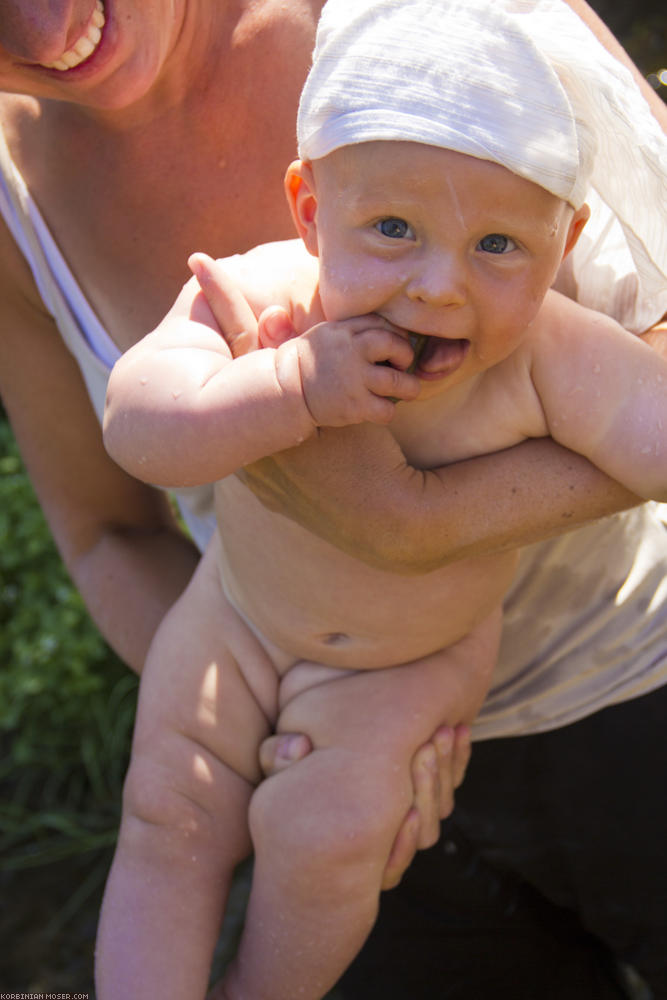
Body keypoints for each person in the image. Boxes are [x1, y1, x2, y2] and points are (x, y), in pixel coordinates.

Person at [0, 0, 662, 995]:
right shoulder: (271, 295)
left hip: (422, 676)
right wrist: (286, 388)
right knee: (167, 818)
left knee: (324, 838)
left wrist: (417, 521)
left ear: (558, 230)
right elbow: (134, 432)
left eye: (497, 247)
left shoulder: (547, 354)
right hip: (234, 620)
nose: (438, 285)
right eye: (392, 229)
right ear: (310, 211)